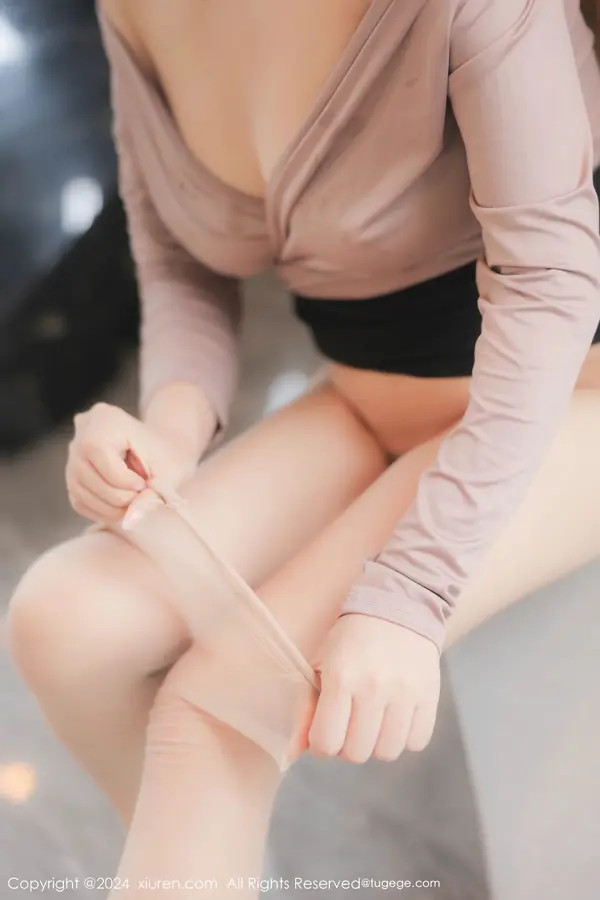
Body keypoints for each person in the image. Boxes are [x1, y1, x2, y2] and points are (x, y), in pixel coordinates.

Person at [7, 0, 600, 895]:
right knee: (63, 621)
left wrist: (412, 588)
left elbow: (550, 287)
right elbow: (176, 261)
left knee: (213, 718)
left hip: (563, 398)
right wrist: (169, 429)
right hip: (370, 398)